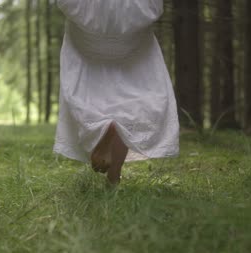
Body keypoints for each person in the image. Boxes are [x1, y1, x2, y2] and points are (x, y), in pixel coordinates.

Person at [53, 0, 179, 185]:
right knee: (129, 98)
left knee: (86, 91)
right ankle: (114, 176)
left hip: (87, 35)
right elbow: (154, 7)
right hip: (131, 30)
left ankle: (103, 126)